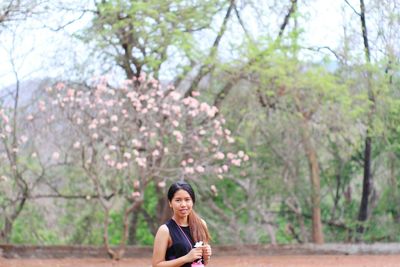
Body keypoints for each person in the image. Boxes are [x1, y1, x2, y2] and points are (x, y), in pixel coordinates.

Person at [152, 181, 212, 267]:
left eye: (187, 199)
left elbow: (203, 263)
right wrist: (186, 258)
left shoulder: (201, 225)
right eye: (178, 200)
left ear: (193, 202)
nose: (183, 204)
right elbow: (156, 265)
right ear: (170, 203)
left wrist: (206, 257)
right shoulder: (165, 230)